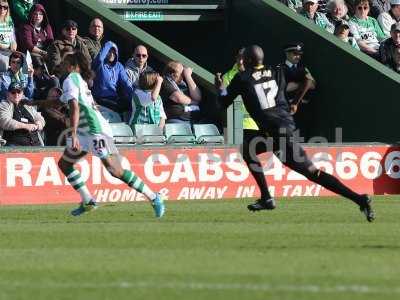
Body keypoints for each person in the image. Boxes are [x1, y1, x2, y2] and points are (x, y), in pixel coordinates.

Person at [214, 45, 375, 222]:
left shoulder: (242, 78)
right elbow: (307, 79)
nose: (241, 61)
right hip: (284, 128)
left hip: (275, 132)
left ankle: (359, 199)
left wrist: (220, 87)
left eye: (243, 58)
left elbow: (222, 103)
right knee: (249, 149)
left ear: (249, 60)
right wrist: (296, 101)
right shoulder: (277, 70)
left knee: (310, 172)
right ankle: (267, 197)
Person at [56, 52, 165, 217]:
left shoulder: (70, 79)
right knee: (65, 163)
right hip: (88, 130)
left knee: (115, 169)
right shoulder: (78, 80)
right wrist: (35, 103)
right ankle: (88, 201)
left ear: (72, 64)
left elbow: (75, 107)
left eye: (65, 61)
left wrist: (73, 133)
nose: (62, 64)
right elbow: (63, 102)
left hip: (94, 131)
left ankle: (154, 197)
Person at [91, 41, 132, 120]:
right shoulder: (99, 64)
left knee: (129, 105)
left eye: (114, 52)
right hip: (100, 98)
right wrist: (109, 44)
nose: (111, 54)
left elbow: (125, 83)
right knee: (117, 107)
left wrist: (134, 99)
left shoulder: (119, 66)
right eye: (109, 51)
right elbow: (99, 58)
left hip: (114, 97)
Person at [223, 48, 259, 131]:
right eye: (239, 57)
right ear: (236, 58)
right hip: (238, 124)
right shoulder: (227, 77)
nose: (241, 61)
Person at [0, 82, 44, 146]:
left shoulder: (27, 105)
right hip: (14, 144)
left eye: (19, 92)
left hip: (36, 143)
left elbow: (39, 117)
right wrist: (26, 126)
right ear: (8, 94)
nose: (16, 95)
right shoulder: (4, 105)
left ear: (22, 93)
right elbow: (4, 122)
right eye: (13, 92)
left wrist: (39, 123)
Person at [279, 43, 316, 115]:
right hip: (284, 107)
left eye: (300, 55)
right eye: (295, 54)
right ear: (287, 53)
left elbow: (313, 84)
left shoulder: (303, 68)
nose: (298, 57)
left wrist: (297, 85)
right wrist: (304, 84)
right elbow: (282, 88)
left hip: (302, 108)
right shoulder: (280, 68)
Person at [0, 0, 17, 72]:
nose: (2, 9)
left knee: (20, 60)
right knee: (4, 66)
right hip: (2, 50)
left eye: (5, 7)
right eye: (0, 7)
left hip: (8, 50)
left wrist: (13, 48)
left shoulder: (9, 20)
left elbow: (13, 38)